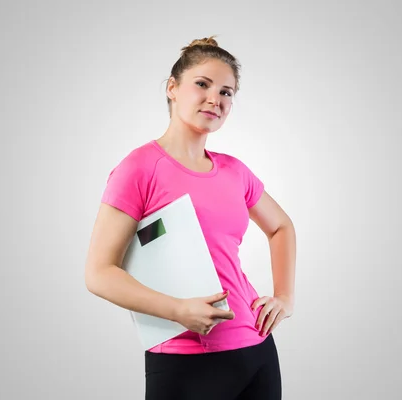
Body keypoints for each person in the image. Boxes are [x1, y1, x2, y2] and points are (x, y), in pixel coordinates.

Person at [84, 35, 296, 400]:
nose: (216, 99)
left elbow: (281, 227)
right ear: (172, 88)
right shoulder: (139, 168)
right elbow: (99, 273)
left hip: (257, 350)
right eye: (202, 84)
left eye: (227, 92)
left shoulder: (235, 171)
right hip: (186, 360)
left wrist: (284, 298)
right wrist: (177, 309)